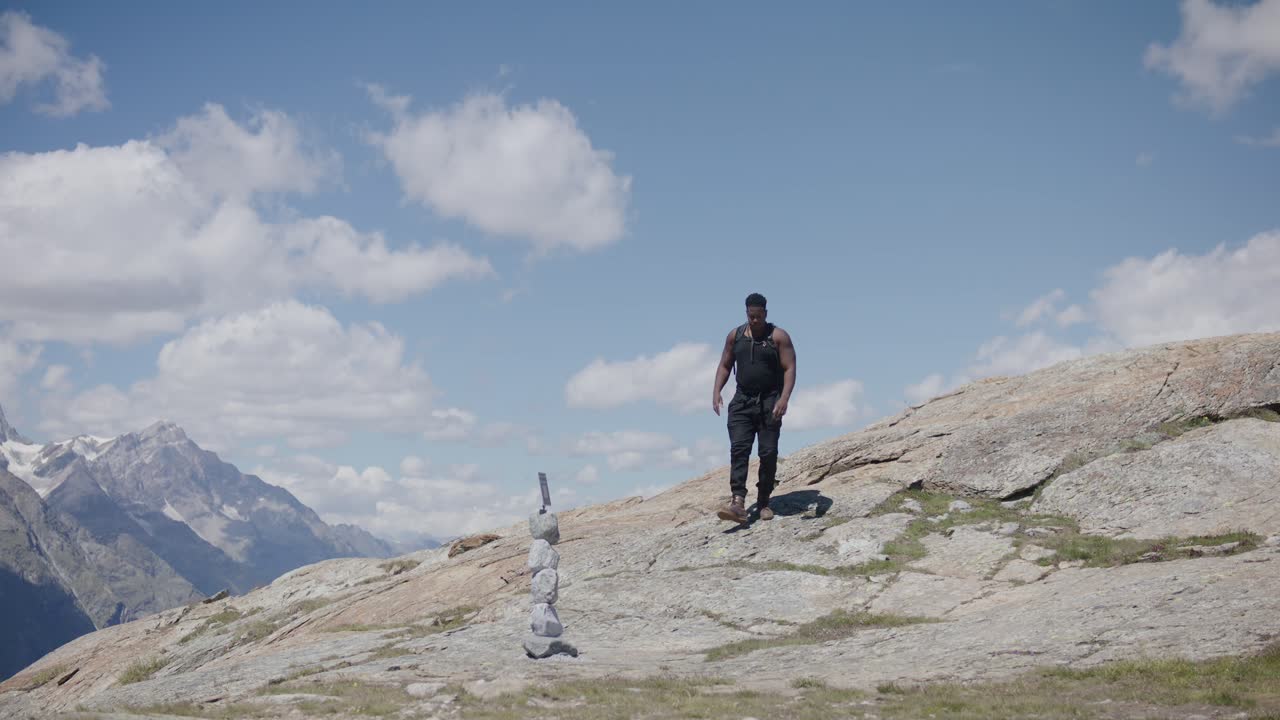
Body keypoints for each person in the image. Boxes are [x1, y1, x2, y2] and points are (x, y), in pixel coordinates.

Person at [712, 292, 796, 524]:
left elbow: (790, 368)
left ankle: (764, 501)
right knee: (739, 449)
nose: (755, 320)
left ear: (765, 314)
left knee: (768, 453)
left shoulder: (778, 337)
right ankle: (738, 502)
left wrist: (784, 398)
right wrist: (717, 391)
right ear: (746, 313)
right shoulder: (735, 336)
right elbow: (725, 364)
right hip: (742, 401)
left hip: (770, 401)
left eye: (759, 316)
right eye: (751, 316)